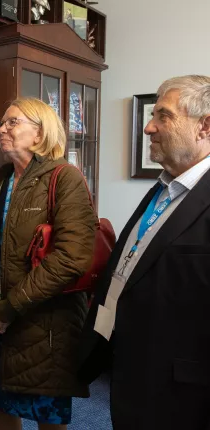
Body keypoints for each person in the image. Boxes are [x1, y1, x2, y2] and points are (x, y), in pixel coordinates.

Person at [78, 75, 210, 430]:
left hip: (184, 398)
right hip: (131, 372)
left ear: (204, 127)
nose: (149, 128)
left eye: (163, 116)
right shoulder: (163, 188)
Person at [0, 97, 97, 430]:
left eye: (12, 122)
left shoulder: (65, 179)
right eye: (1, 123)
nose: (2, 129)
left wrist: (9, 308)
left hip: (44, 328)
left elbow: (71, 257)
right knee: (2, 406)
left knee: (47, 417)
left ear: (39, 133)